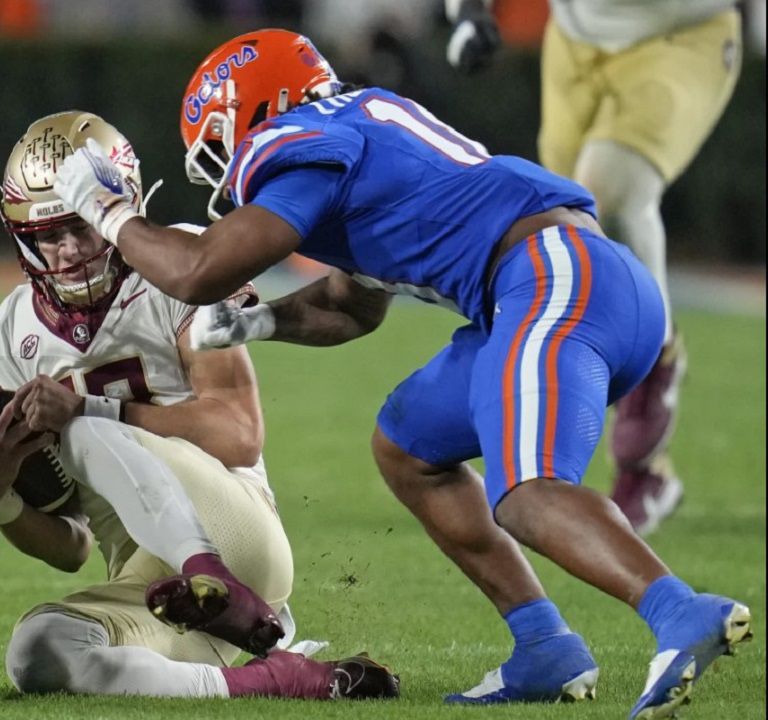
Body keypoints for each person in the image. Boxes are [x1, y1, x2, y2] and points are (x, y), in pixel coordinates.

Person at [50, 29, 751, 719]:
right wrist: (262, 322)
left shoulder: (297, 140)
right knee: (409, 446)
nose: (225, 167)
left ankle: (679, 612)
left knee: (530, 492)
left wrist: (108, 213)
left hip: (553, 281)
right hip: (557, 283)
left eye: (218, 144)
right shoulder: (359, 127)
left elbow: (198, 271)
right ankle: (544, 645)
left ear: (254, 114)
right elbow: (353, 305)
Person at [0, 110, 399, 701]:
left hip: (237, 538)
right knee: (38, 653)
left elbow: (240, 433)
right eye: (47, 235)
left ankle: (211, 576)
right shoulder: (12, 333)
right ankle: (273, 678)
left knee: (85, 419)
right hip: (153, 586)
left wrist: (90, 412)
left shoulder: (183, 266)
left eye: (82, 227)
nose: (66, 252)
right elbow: (73, 548)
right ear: (22, 236)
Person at [446, 0, 744, 534]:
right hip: (576, 40)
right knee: (557, 226)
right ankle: (614, 463)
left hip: (679, 37)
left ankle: (656, 365)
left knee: (610, 194)